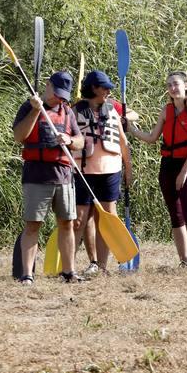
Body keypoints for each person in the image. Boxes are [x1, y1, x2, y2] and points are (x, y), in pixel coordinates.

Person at [126, 71, 187, 271]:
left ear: (186, 85)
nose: (172, 88)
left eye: (176, 84)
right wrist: (131, 129)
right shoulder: (167, 110)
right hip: (167, 165)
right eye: (169, 85)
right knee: (176, 215)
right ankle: (185, 261)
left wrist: (184, 172)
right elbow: (153, 137)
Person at [11, 70, 83, 284]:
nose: (59, 98)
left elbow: (80, 141)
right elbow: (19, 136)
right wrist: (35, 111)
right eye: (56, 92)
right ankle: (27, 275)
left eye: (63, 95)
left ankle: (68, 271)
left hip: (63, 175)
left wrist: (68, 139)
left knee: (67, 223)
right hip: (36, 175)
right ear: (48, 86)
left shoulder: (67, 111)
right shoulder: (28, 106)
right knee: (33, 225)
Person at [72, 70, 132, 275]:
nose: (108, 91)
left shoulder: (112, 110)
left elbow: (123, 142)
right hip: (83, 171)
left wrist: (128, 171)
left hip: (110, 170)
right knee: (79, 219)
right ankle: (68, 268)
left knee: (107, 218)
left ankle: (103, 268)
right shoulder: (75, 110)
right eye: (104, 87)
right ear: (94, 88)